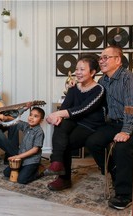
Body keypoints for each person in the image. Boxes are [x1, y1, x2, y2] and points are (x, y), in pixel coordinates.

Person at [84, 45, 133, 210]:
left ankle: (125, 194)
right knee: (92, 142)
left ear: (117, 60)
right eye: (100, 58)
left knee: (121, 149)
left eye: (105, 57)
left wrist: (126, 131)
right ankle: (114, 172)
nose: (101, 61)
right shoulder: (103, 80)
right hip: (112, 123)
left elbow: (131, 108)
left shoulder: (129, 78)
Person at [45, 54, 106, 191]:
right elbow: (66, 107)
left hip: (90, 125)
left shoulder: (99, 90)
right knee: (59, 125)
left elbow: (83, 109)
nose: (77, 72)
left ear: (92, 72)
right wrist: (57, 117)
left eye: (82, 69)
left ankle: (63, 177)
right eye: (77, 69)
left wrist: (56, 114)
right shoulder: (73, 88)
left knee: (65, 142)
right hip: (74, 121)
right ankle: (57, 164)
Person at [2, 107, 45, 184]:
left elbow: (35, 149)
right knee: (6, 173)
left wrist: (18, 156)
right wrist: (6, 117)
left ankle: (39, 170)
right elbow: (16, 121)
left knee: (21, 180)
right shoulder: (26, 126)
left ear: (41, 120)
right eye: (31, 115)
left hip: (31, 161)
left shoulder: (39, 132)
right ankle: (24, 169)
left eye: (35, 116)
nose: (31, 118)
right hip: (22, 159)